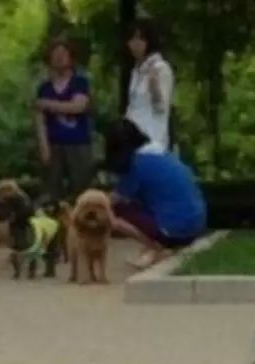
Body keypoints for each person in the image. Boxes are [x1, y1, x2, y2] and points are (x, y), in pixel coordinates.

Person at [105, 118, 206, 269]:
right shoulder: (160, 152)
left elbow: (114, 199)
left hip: (174, 230)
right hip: (196, 224)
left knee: (113, 213)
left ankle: (157, 247)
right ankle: (153, 249)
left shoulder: (136, 163)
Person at [35, 38, 93, 202]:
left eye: (63, 53)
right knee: (51, 192)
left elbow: (78, 107)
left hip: (78, 144)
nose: (59, 57)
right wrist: (43, 146)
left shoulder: (80, 83)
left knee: (81, 191)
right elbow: (39, 119)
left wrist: (47, 104)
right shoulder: (44, 88)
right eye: (55, 54)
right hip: (53, 144)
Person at [125, 18, 174, 151]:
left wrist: (154, 87)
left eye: (139, 39)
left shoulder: (161, 68)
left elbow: (162, 108)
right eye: (131, 39)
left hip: (152, 140)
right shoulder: (136, 71)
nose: (134, 44)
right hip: (132, 139)